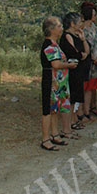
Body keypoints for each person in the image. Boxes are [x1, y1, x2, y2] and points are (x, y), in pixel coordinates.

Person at [40, 16, 77, 150]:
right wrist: (69, 65)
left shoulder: (55, 44)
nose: (61, 28)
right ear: (51, 29)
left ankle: (55, 134)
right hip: (51, 82)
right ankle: (45, 139)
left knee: (55, 109)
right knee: (48, 110)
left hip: (59, 83)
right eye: (59, 26)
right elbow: (55, 64)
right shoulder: (49, 45)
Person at [60, 12, 91, 129]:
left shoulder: (78, 35)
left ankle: (74, 118)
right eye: (79, 22)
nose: (81, 24)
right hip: (72, 70)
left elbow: (87, 51)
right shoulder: (67, 36)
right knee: (72, 96)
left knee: (77, 96)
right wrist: (81, 55)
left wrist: (83, 39)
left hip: (79, 70)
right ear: (72, 23)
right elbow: (74, 52)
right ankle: (71, 121)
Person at [81, 2, 97, 118]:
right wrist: (91, 57)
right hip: (86, 61)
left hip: (95, 62)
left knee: (91, 87)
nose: (95, 16)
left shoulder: (95, 27)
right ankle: (81, 112)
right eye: (94, 14)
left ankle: (87, 111)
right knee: (84, 86)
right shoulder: (82, 28)